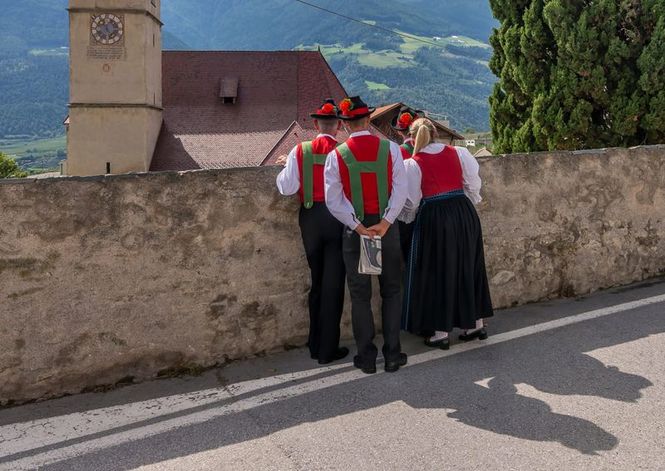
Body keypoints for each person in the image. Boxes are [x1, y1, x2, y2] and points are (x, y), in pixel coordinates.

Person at [324, 96, 408, 374]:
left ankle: (367, 357)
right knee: (392, 290)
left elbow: (333, 199)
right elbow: (400, 191)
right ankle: (393, 354)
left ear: (345, 124)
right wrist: (385, 222)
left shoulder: (336, 156)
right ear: (369, 120)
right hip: (386, 229)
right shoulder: (392, 150)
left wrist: (357, 225)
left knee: (360, 295)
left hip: (356, 230)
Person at [401, 118, 494, 350]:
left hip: (434, 216)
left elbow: (411, 201)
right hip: (463, 211)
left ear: (412, 138)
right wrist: (465, 203)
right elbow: (473, 184)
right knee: (468, 265)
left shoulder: (413, 163)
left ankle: (440, 332)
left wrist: (408, 219)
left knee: (436, 271)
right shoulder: (460, 153)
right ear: (437, 133)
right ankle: (475, 324)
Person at [276, 99, 348, 365]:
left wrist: (287, 166)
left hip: (310, 218)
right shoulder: (344, 152)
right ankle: (328, 348)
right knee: (334, 284)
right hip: (337, 218)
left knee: (316, 281)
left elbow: (286, 187)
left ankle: (314, 342)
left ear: (316, 124)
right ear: (339, 126)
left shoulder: (300, 150)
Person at [391, 106, 423, 263]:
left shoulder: (397, 152)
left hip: (405, 214)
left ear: (399, 131)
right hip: (429, 209)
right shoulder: (427, 149)